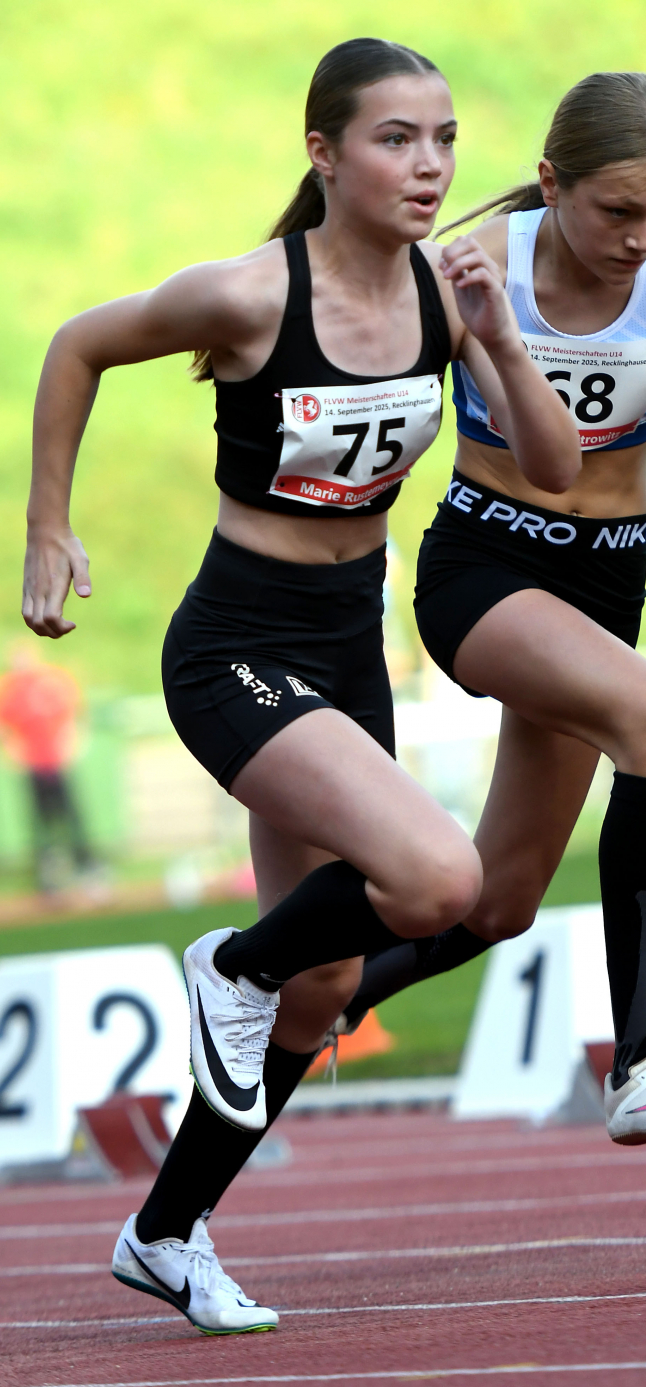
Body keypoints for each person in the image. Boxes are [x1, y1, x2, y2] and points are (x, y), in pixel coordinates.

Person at [23, 38, 577, 1334]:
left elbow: (549, 466)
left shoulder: (449, 299)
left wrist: (493, 339)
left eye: (441, 138)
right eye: (394, 138)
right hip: (233, 647)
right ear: (322, 153)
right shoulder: (246, 298)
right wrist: (50, 526)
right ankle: (228, 960)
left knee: (322, 987)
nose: (428, 164)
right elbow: (76, 345)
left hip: (341, 651)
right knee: (436, 881)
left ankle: (163, 1230)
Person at [338, 70, 646, 1149]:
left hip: (610, 586)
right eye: (617, 211)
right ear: (548, 184)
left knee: (501, 898)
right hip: (489, 571)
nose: (636, 238)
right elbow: (343, 370)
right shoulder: (465, 273)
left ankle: (295, 982)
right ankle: (640, 1055)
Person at [0, 642, 94, 891]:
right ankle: (48, 873)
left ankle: (87, 866)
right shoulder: (6, 688)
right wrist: (8, 750)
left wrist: (72, 741)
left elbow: (75, 711)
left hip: (56, 761)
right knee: (40, 821)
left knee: (71, 814)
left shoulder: (52, 680)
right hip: (33, 764)